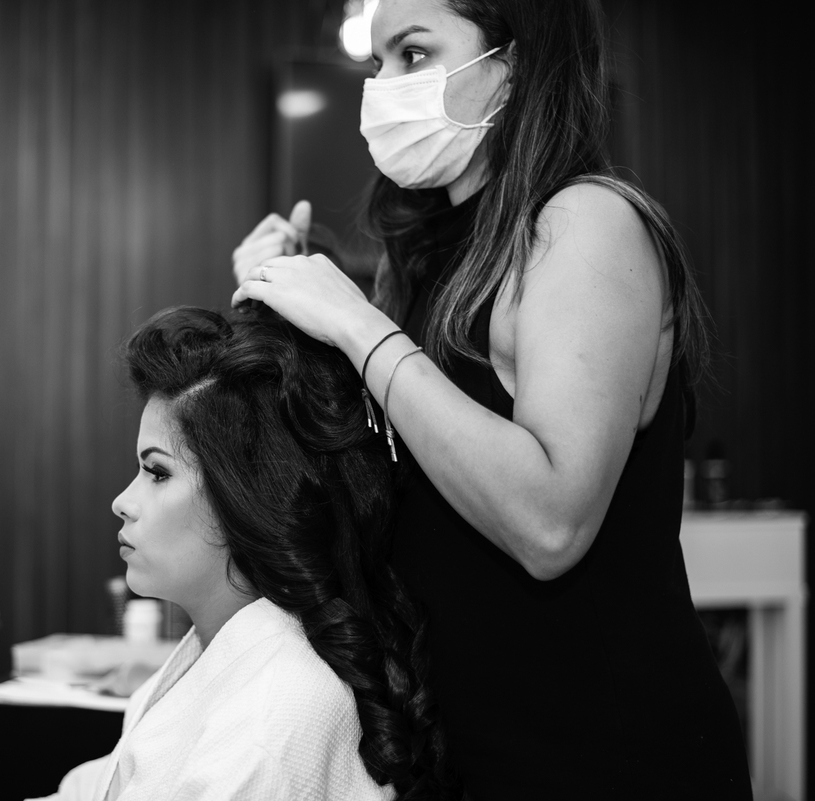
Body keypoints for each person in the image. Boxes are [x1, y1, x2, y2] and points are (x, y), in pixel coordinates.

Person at [229, 0, 749, 798]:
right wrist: (288, 312)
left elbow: (550, 522)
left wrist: (359, 327)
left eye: (412, 54)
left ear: (511, 66)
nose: (383, 88)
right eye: (376, 64)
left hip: (606, 759)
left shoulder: (586, 222)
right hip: (462, 755)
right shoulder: (421, 257)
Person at [34, 306, 455, 801]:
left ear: (246, 498)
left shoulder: (270, 723)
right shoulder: (221, 653)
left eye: (158, 473)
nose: (122, 502)